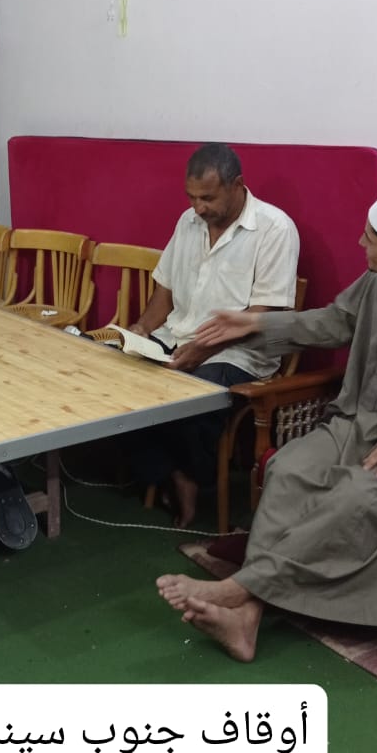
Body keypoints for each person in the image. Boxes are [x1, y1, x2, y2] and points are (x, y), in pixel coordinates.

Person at [156, 185, 377, 662]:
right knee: (287, 470)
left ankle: (240, 591)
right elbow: (333, 322)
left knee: (354, 497)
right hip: (352, 424)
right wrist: (255, 325)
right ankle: (248, 617)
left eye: (370, 239)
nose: (360, 243)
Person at [127, 143, 299, 527]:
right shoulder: (188, 222)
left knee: (195, 393)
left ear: (237, 185)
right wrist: (142, 330)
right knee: (117, 378)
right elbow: (164, 291)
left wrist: (201, 350)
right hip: (178, 336)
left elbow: (264, 315)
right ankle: (169, 472)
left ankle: (190, 479)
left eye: (207, 198)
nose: (198, 208)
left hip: (240, 352)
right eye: (191, 197)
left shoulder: (274, 228)